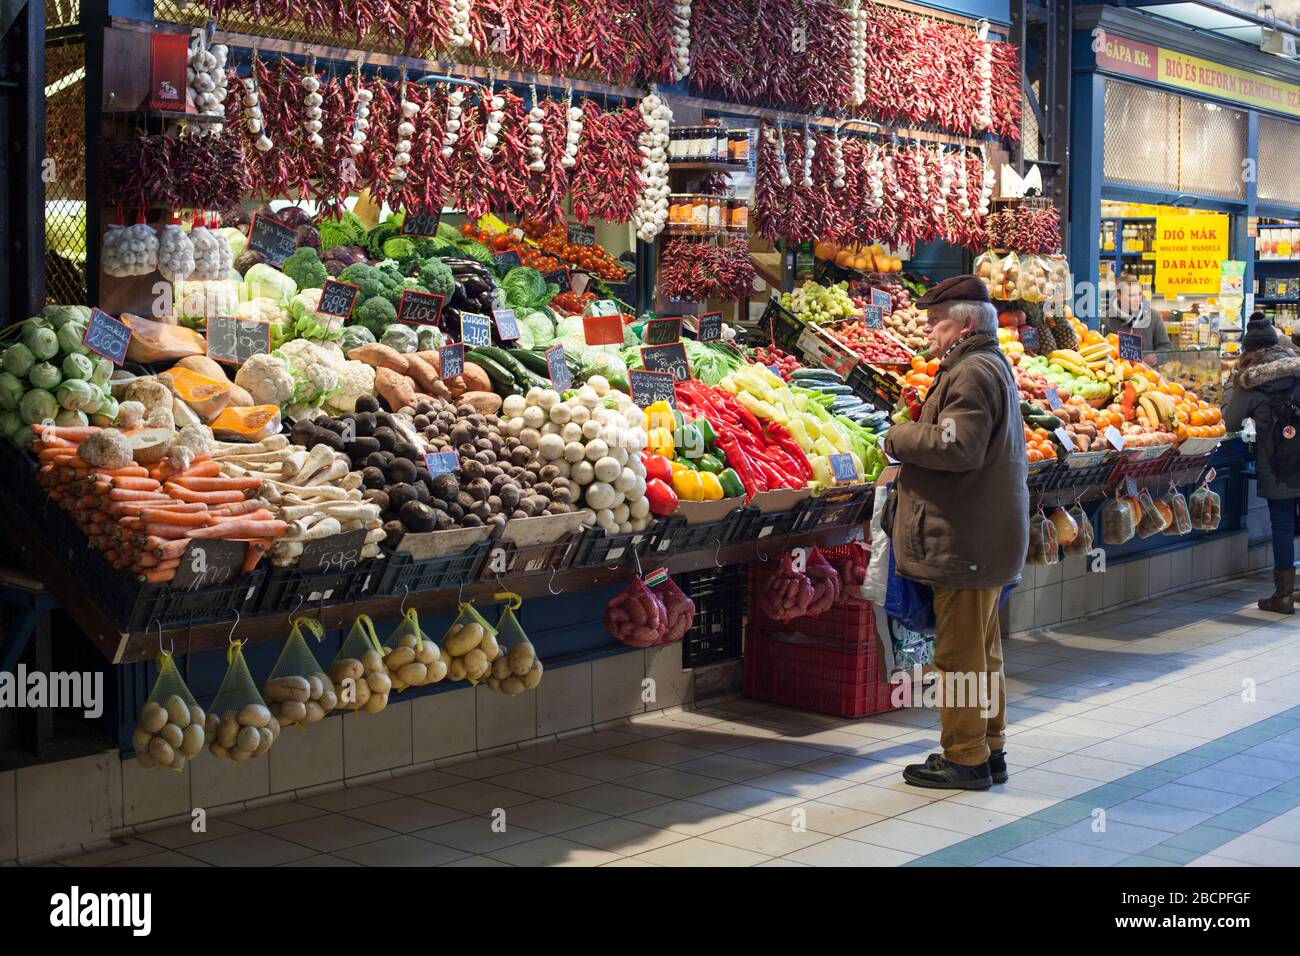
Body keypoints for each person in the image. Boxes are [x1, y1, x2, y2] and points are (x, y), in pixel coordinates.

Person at [883, 275, 1028, 790]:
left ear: (963, 324)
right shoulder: (988, 365)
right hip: (983, 533)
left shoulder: (971, 372)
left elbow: (957, 445)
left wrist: (897, 438)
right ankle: (989, 747)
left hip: (965, 537)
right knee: (983, 648)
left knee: (959, 654)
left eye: (934, 322)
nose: (927, 332)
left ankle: (964, 757)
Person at [1223, 318, 1300, 613]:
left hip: (1276, 462)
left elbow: (1230, 422)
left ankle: (1283, 595)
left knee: (1282, 524)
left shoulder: (1251, 383)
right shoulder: (1297, 371)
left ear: (1248, 351)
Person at [1105, 275, 1171, 363]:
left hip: (1147, 374)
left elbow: (1166, 348)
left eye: (1139, 294)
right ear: (1119, 296)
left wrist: (1156, 357)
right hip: (1117, 372)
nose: (1137, 299)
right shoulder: (1107, 319)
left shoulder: (1153, 316)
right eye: (1131, 295)